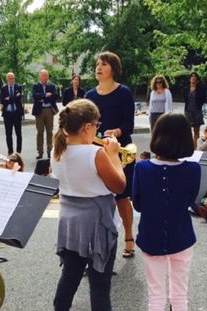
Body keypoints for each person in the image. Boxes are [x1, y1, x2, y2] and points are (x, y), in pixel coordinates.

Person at [50, 99, 139, 311]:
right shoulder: (95, 153)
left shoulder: (59, 150)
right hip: (96, 222)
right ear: (89, 126)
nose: (99, 130)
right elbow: (119, 185)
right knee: (100, 282)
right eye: (96, 125)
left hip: (70, 221)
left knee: (70, 274)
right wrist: (113, 155)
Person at [132, 113, 200, 311]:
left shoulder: (142, 167)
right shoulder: (193, 169)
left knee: (156, 298)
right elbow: (190, 198)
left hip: (151, 237)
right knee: (179, 296)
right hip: (182, 236)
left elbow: (137, 203)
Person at [85, 51, 136, 258]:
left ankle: (129, 237)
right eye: (97, 64)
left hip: (120, 151)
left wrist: (116, 132)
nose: (99, 67)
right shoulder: (89, 96)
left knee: (122, 198)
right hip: (96, 151)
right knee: (97, 198)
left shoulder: (124, 93)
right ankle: (98, 244)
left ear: (113, 69)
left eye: (104, 64)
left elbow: (129, 125)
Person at [32, 69, 59, 159]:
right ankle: (40, 152)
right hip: (39, 111)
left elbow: (55, 96)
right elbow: (35, 96)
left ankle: (49, 152)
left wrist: (42, 97)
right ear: (40, 76)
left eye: (46, 75)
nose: (45, 77)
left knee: (50, 132)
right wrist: (45, 95)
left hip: (49, 110)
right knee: (40, 132)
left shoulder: (52, 86)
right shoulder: (35, 86)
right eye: (43, 75)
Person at [0, 72, 24, 154]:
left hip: (17, 113)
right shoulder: (3, 88)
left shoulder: (18, 87)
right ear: (6, 79)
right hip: (7, 114)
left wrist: (9, 99)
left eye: (13, 78)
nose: (12, 80)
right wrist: (13, 97)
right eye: (10, 78)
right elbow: (2, 101)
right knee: (8, 133)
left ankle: (18, 151)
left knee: (19, 133)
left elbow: (19, 98)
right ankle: (10, 151)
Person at [184, 72, 205, 144]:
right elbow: (184, 98)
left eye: (195, 76)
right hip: (188, 111)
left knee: (196, 131)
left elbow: (203, 99)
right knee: (187, 131)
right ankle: (188, 147)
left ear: (197, 79)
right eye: (192, 76)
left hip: (197, 111)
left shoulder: (200, 88)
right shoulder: (186, 88)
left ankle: (195, 148)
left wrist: (198, 105)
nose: (193, 78)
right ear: (189, 79)